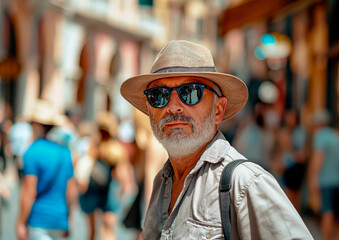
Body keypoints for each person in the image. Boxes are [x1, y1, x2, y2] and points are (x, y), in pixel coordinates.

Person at [120, 40, 313, 239]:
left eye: (190, 92)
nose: (173, 107)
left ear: (218, 110)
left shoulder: (245, 183)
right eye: (159, 95)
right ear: (150, 111)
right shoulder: (162, 181)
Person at [16, 99, 76, 240]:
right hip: (60, 220)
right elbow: (71, 191)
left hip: (39, 219)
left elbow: (28, 192)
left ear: (36, 125)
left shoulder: (31, 152)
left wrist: (20, 223)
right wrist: (69, 218)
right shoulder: (65, 152)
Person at [78, 111, 131, 240]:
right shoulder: (116, 149)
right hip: (109, 190)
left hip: (93, 189)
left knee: (92, 230)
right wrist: (123, 191)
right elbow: (122, 174)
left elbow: (85, 165)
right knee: (108, 228)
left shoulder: (94, 145)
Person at [307, 109, 339, 240]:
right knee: (338, 216)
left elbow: (318, 158)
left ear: (319, 124)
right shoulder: (337, 135)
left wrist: (313, 178)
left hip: (326, 180)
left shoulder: (320, 136)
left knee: (327, 212)